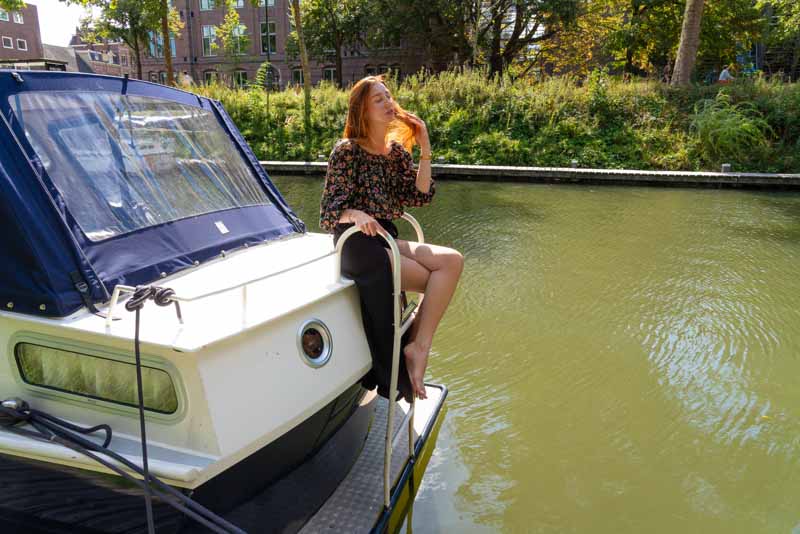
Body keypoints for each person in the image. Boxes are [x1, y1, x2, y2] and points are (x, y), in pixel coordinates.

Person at [319, 75, 463, 400]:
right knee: (431, 279)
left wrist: (424, 144)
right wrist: (355, 213)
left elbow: (420, 195)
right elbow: (330, 211)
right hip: (356, 241)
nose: (389, 103)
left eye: (389, 97)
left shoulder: (395, 153)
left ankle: (418, 346)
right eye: (379, 99)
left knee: (452, 262)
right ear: (363, 110)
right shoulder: (347, 151)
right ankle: (410, 351)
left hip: (385, 236)